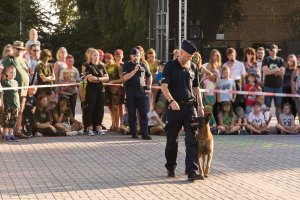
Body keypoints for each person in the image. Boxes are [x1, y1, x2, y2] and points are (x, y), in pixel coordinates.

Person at [160, 39, 204, 181]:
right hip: (175, 108)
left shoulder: (193, 68)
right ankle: (170, 166)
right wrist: (171, 101)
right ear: (181, 52)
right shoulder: (170, 66)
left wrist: (201, 106)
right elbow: (164, 86)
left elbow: (196, 88)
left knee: (192, 139)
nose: (191, 58)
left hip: (190, 106)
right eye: (189, 56)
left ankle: (191, 171)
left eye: (192, 57)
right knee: (172, 140)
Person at [122, 48, 152, 140]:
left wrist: (149, 85)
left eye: (138, 55)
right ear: (131, 56)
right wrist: (135, 70)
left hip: (142, 91)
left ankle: (144, 133)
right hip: (131, 91)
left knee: (143, 113)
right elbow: (125, 78)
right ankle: (134, 133)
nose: (136, 57)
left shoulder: (143, 64)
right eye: (134, 55)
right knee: (132, 113)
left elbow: (149, 75)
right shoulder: (127, 65)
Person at [1, 41, 30, 138]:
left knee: (20, 110)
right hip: (11, 90)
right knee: (8, 112)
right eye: (17, 49)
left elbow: (26, 73)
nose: (19, 51)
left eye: (21, 49)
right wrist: (4, 90)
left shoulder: (23, 60)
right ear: (13, 48)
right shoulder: (8, 60)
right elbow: (3, 75)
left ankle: (17, 131)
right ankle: (7, 133)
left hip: (23, 89)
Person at [85, 48, 109, 135]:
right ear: (91, 56)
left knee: (100, 108)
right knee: (90, 108)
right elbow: (90, 79)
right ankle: (89, 127)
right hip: (91, 90)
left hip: (100, 90)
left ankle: (98, 126)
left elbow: (107, 78)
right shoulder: (88, 66)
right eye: (94, 55)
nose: (96, 57)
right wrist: (100, 79)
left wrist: (98, 79)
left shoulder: (102, 66)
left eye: (97, 55)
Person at [262, 44, 285, 122]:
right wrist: (276, 70)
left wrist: (270, 71)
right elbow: (265, 72)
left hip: (278, 87)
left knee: (278, 106)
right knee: (267, 106)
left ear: (277, 51)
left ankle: (279, 124)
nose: (272, 52)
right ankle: (266, 124)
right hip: (268, 86)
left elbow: (282, 72)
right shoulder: (266, 60)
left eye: (274, 51)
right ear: (269, 51)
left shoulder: (280, 60)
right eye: (271, 50)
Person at [104, 53, 124, 131]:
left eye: (109, 58)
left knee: (116, 107)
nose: (108, 60)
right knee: (110, 107)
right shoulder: (105, 67)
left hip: (116, 90)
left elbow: (122, 79)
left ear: (112, 59)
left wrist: (113, 81)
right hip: (108, 90)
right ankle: (113, 124)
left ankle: (117, 125)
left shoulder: (117, 66)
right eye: (106, 58)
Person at [1, 66, 19, 142]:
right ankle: (6, 135)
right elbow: (2, 93)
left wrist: (18, 104)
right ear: (7, 73)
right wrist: (2, 103)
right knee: (6, 120)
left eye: (14, 72)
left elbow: (17, 93)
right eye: (11, 72)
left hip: (15, 104)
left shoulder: (16, 82)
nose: (13, 74)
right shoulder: (5, 82)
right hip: (7, 104)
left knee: (13, 120)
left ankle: (11, 134)